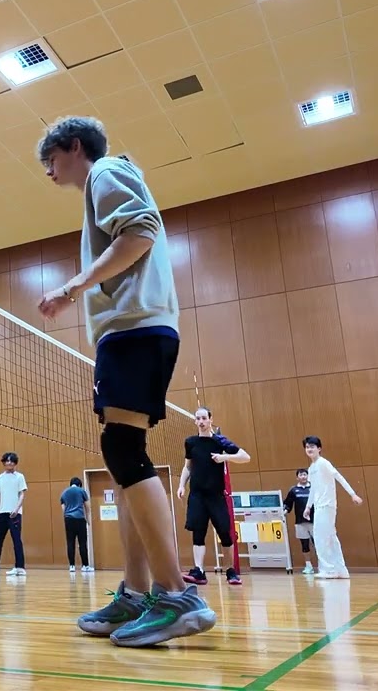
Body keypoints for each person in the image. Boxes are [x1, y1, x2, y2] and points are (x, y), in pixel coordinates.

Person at [35, 115, 216, 647]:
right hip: (132, 331)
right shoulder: (98, 186)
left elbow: (139, 233)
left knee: (121, 449)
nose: (48, 172)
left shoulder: (106, 171)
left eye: (51, 160)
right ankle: (137, 594)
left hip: (136, 329)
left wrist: (72, 286)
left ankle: (175, 594)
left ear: (73, 147)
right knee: (122, 457)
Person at [178, 407, 251, 586]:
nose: (201, 421)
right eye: (198, 418)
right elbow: (188, 466)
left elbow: (245, 457)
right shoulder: (191, 442)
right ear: (195, 421)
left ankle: (230, 571)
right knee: (198, 533)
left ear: (210, 419)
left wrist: (224, 457)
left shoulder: (220, 441)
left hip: (216, 495)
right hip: (197, 495)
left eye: (204, 418)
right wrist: (181, 485)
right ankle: (199, 571)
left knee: (225, 534)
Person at [303, 436, 363, 580]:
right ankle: (340, 570)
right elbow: (313, 489)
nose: (309, 449)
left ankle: (329, 570)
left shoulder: (323, 463)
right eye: (307, 447)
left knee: (320, 537)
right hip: (319, 506)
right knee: (330, 537)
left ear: (319, 448)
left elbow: (338, 476)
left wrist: (353, 494)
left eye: (312, 446)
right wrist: (308, 507)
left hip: (326, 505)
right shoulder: (311, 468)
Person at [0, 452, 28, 576]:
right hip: (2, 513)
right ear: (4, 462)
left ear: (15, 463)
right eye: (7, 460)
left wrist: (17, 509)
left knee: (17, 540)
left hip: (15, 514)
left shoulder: (19, 477)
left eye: (12, 461)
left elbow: (22, 494)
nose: (9, 463)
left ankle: (20, 567)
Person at [283, 468, 317, 575]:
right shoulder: (293, 490)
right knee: (304, 544)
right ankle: (308, 566)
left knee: (318, 544)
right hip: (300, 522)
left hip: (315, 521)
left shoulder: (314, 488)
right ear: (297, 477)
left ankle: (324, 565)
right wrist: (285, 510)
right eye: (301, 475)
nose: (303, 477)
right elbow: (288, 503)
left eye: (305, 475)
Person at [60, 477, 92, 572]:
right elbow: (87, 507)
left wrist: (66, 518)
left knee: (70, 542)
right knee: (82, 542)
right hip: (80, 519)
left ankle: (72, 566)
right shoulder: (82, 491)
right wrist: (88, 520)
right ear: (79, 484)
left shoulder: (64, 493)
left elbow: (63, 509)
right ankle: (85, 566)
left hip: (69, 519)